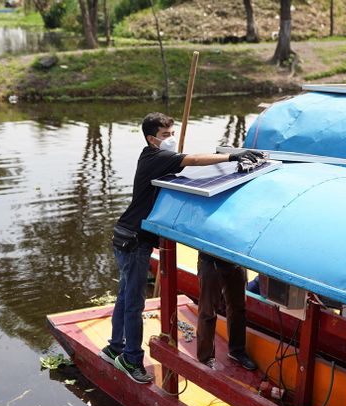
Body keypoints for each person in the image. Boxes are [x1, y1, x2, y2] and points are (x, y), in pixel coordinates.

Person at [100, 112, 264, 384]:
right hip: (134, 242)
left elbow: (189, 165)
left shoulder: (154, 158)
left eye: (172, 132)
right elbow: (195, 160)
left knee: (125, 296)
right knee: (133, 303)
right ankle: (130, 358)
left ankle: (114, 346)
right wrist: (232, 157)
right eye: (165, 135)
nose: (171, 139)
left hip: (126, 235)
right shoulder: (155, 157)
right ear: (152, 139)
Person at [197, 253, 257, 371]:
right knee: (208, 311)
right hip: (211, 260)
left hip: (237, 260)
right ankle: (205, 358)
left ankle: (237, 351)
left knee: (238, 308)